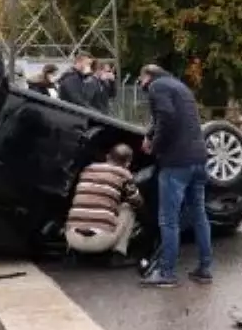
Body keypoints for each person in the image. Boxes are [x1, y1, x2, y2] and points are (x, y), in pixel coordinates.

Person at [136, 63, 212, 288]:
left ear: (147, 76)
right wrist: (149, 134)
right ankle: (204, 269)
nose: (141, 86)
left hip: (176, 162)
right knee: (199, 215)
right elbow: (169, 118)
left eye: (141, 82)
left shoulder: (157, 87)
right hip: (198, 159)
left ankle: (167, 272)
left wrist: (155, 146)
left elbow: (166, 118)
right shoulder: (181, 87)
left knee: (168, 219)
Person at [65, 144, 143, 265]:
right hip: (100, 241)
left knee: (84, 202)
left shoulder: (88, 169)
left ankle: (72, 252)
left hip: (72, 237)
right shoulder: (124, 174)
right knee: (128, 208)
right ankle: (119, 255)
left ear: (107, 157)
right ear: (128, 163)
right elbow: (137, 201)